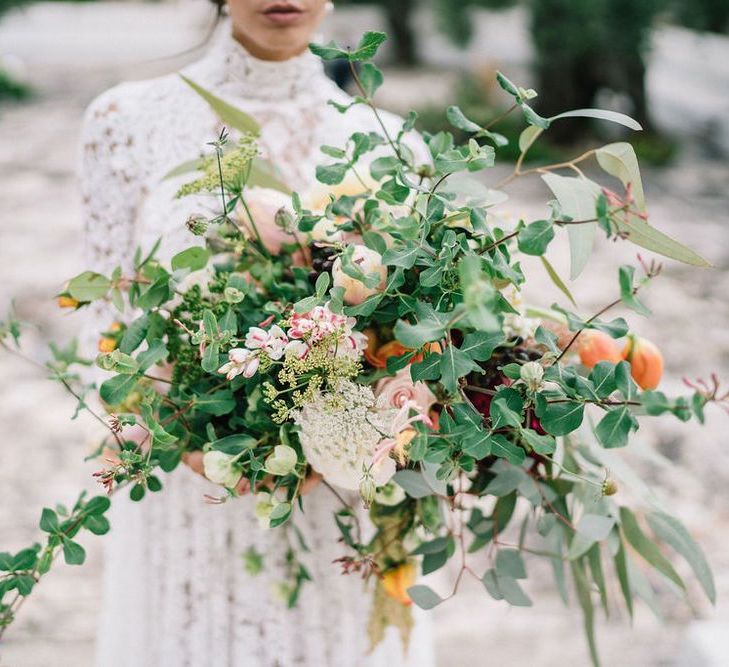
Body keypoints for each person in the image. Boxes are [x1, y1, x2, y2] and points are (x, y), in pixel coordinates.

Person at [80, 1, 434, 665]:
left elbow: (418, 334)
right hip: (192, 494)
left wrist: (375, 425)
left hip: (338, 502)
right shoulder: (124, 122)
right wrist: (187, 435)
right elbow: (110, 331)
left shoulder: (395, 146)